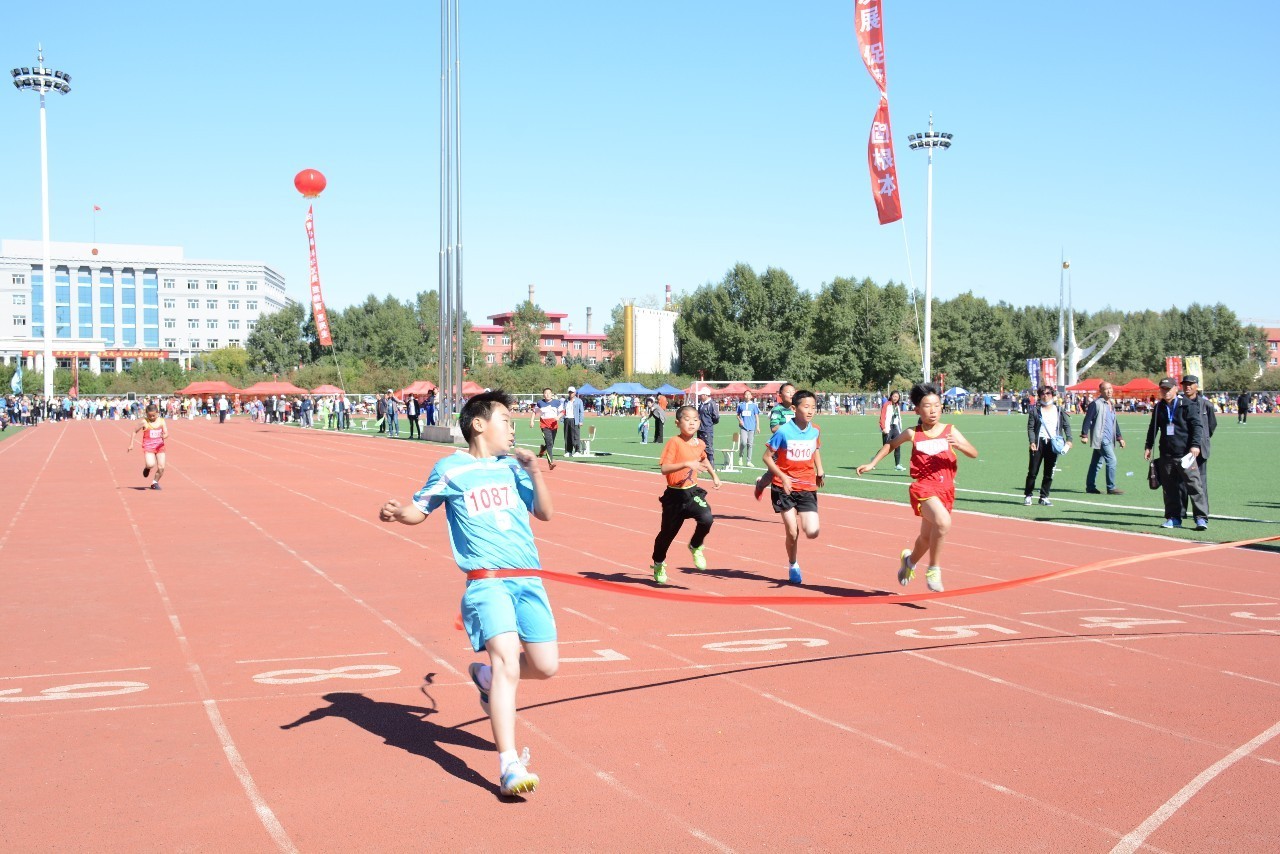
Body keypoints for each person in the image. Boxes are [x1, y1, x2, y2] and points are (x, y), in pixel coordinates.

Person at [378, 389, 557, 797]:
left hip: (529, 580)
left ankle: (486, 678)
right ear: (479, 424)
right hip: (487, 581)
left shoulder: (512, 469)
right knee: (509, 661)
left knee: (546, 666)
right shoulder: (451, 469)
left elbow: (545, 513)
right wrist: (396, 513)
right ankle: (509, 763)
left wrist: (536, 473)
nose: (513, 428)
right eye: (507, 421)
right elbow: (417, 510)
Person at [857, 382, 977, 593]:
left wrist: (959, 445)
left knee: (926, 537)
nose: (933, 410)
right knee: (943, 522)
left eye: (937, 406)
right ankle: (934, 569)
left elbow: (973, 452)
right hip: (924, 488)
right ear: (917, 410)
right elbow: (890, 445)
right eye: (927, 406)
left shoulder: (950, 431)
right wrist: (872, 463)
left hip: (946, 489)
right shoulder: (913, 433)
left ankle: (909, 562)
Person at [650, 405, 722, 584]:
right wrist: (687, 464)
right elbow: (664, 469)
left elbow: (703, 457)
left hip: (692, 493)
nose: (692, 423)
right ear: (677, 422)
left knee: (707, 518)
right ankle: (659, 563)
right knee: (666, 535)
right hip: (674, 497)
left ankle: (696, 546)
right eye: (687, 419)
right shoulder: (674, 442)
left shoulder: (699, 443)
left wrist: (714, 475)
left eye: (695, 419)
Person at [762, 389, 825, 584]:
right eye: (806, 407)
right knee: (792, 531)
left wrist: (820, 470)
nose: (810, 411)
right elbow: (766, 457)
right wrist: (782, 476)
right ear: (795, 408)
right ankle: (793, 564)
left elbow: (815, 450)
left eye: (813, 407)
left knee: (812, 531)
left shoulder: (815, 430)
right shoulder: (783, 432)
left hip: (806, 484)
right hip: (784, 486)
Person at [1145, 378, 1208, 530]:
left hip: (1186, 454)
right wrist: (1148, 446)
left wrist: (1195, 445)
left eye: (1168, 389)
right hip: (1166, 453)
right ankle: (1174, 518)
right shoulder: (1159, 406)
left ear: (1175, 389)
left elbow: (1197, 426)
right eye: (1162, 389)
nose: (1165, 392)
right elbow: (1153, 427)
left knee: (1194, 486)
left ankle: (1201, 518)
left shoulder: (1187, 404)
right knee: (1170, 489)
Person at [1023, 385, 1072, 506]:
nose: (1046, 395)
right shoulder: (1035, 410)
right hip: (1039, 442)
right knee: (1033, 471)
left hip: (1053, 443)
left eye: (1048, 393)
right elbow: (1030, 427)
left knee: (1049, 472)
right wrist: (1032, 442)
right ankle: (1028, 495)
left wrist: (1069, 439)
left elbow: (1066, 426)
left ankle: (1044, 497)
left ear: (1053, 395)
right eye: (1043, 394)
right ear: (1039, 396)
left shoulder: (1059, 410)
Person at [1179, 375, 1215, 525]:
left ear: (1196, 386)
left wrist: (1202, 441)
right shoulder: (1178, 403)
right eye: (1185, 384)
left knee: (1200, 483)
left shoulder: (1206, 405)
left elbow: (1211, 426)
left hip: (1199, 450)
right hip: (1181, 449)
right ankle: (1179, 513)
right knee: (1181, 483)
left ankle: (1201, 515)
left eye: (1191, 384)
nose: (1187, 387)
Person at [1080, 380, 1126, 495]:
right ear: (1100, 391)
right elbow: (1087, 419)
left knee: (1096, 463)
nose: (1109, 391)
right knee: (1112, 460)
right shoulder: (1096, 404)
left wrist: (1119, 437)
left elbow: (1114, 422)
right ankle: (1111, 487)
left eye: (1110, 388)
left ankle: (1090, 487)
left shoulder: (1111, 404)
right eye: (1106, 389)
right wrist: (1084, 434)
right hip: (1101, 438)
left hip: (1109, 438)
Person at [753, 382, 796, 499]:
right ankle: (760, 484)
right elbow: (774, 427)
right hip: (778, 446)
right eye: (788, 392)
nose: (791, 394)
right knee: (773, 473)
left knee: (794, 470)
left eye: (793, 392)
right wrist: (791, 429)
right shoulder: (778, 409)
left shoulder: (796, 409)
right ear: (780, 395)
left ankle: (793, 498)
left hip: (793, 447)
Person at [127, 403, 169, 491]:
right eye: (150, 416)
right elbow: (134, 431)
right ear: (146, 414)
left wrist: (163, 436)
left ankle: (154, 482)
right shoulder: (144, 422)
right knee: (150, 464)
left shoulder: (161, 421)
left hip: (160, 446)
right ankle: (147, 468)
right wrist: (131, 444)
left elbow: (166, 433)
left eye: (154, 415)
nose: (152, 417)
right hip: (149, 447)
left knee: (161, 467)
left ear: (157, 413)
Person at [530, 387, 561, 471]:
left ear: (552, 394)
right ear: (543, 394)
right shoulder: (540, 403)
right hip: (544, 426)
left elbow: (562, 411)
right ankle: (550, 463)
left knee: (550, 444)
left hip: (554, 425)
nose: (547, 394)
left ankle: (543, 448)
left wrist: (558, 416)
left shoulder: (557, 402)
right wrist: (532, 421)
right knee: (550, 443)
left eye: (549, 393)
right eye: (545, 393)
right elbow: (534, 411)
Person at [878, 390, 905, 470]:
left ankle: (897, 465)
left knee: (897, 445)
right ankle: (874, 461)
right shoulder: (886, 405)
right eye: (894, 396)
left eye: (897, 397)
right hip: (888, 427)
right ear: (891, 396)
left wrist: (900, 428)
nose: (895, 398)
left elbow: (898, 418)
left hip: (895, 427)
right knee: (885, 448)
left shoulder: (897, 406)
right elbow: (882, 417)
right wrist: (883, 428)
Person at [736, 390, 761, 468]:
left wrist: (757, 426)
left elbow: (757, 416)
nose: (747, 396)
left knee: (750, 444)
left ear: (751, 396)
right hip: (743, 427)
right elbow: (737, 415)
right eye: (746, 394)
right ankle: (740, 457)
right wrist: (740, 420)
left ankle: (748, 461)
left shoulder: (754, 406)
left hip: (751, 427)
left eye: (749, 394)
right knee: (743, 442)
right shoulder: (741, 405)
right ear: (744, 396)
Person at [696, 387, 719, 469]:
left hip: (707, 429)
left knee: (708, 446)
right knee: (699, 446)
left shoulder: (711, 404)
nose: (700, 396)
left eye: (701, 395)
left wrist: (708, 424)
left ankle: (711, 464)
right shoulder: (701, 404)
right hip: (700, 429)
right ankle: (702, 463)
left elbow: (716, 417)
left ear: (705, 395)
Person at [562, 386, 585, 457]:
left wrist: (581, 421)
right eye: (569, 392)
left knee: (575, 436)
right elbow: (563, 410)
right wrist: (562, 419)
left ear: (575, 393)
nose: (570, 394)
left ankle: (577, 450)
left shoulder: (579, 401)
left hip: (575, 420)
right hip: (567, 419)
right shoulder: (566, 401)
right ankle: (568, 451)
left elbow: (581, 412)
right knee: (567, 436)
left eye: (572, 392)